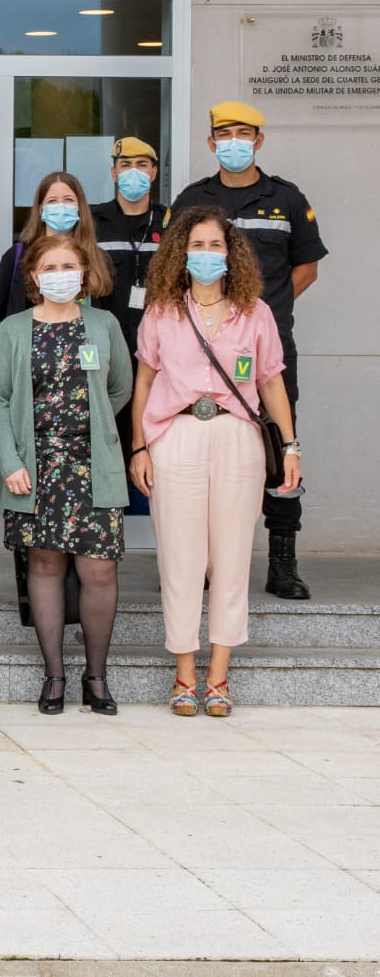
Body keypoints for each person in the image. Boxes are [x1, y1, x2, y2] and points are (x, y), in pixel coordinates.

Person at [130, 208, 302, 717]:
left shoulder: (255, 312)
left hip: (237, 439)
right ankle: (184, 674)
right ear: (181, 253)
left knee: (230, 557)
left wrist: (291, 447)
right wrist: (139, 446)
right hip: (175, 435)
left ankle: (219, 675)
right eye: (197, 246)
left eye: (215, 246)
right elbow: (144, 381)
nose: (207, 255)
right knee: (179, 559)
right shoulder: (161, 310)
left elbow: (271, 382)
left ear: (232, 253)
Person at [169, 102, 327, 600]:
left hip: (268, 350)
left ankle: (282, 561)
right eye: (224, 134)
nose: (234, 141)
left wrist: (257, 314)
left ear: (259, 139)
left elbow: (306, 268)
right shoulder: (193, 198)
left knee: (279, 445)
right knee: (202, 447)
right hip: (201, 352)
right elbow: (174, 268)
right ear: (211, 142)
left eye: (244, 133)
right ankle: (202, 564)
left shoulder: (286, 197)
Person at [0, 232, 133, 715]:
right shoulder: (13, 328)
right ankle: (54, 676)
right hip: (36, 465)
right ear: (33, 276)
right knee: (45, 565)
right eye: (48, 268)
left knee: (99, 567)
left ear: (85, 272)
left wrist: (92, 427)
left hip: (93, 463)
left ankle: (96, 677)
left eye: (68, 266)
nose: (59, 276)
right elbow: (1, 400)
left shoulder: (104, 323)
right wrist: (11, 460)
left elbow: (118, 389)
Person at [90, 138, 167, 512]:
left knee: (155, 442)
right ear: (113, 172)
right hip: (105, 356)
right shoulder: (92, 221)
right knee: (109, 440)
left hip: (159, 360)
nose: (133, 172)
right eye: (125, 165)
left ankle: (150, 520)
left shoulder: (171, 223)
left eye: (142, 164)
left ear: (154, 172)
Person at [0, 171, 108, 367]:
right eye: (52, 201)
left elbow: (110, 328)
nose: (61, 206)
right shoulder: (17, 257)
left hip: (85, 373)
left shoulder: (97, 258)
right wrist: (4, 371)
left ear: (80, 208)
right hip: (26, 376)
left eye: (68, 199)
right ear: (40, 210)